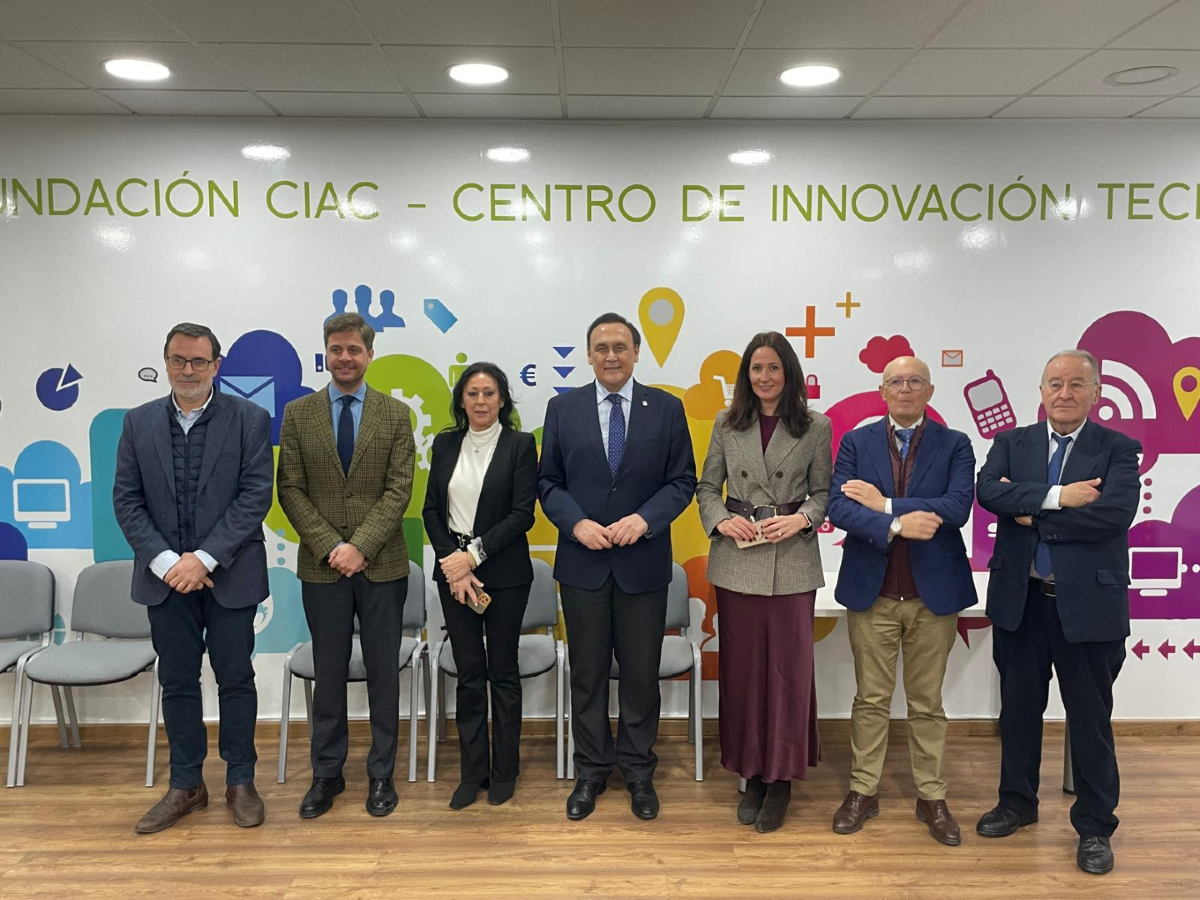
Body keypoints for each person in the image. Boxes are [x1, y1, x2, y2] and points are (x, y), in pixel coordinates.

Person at [975, 349, 1140, 876]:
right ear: (1041, 391)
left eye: (1076, 384)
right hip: (1020, 601)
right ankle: (1016, 803)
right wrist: (1060, 496)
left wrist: (1032, 512)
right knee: (1018, 712)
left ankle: (1095, 826)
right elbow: (988, 493)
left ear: (1096, 393)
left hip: (1088, 607)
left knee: (1090, 719)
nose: (1064, 393)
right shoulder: (1011, 442)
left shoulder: (1118, 449)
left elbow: (1113, 515)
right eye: (1055, 383)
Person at [113, 322, 273, 833]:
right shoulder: (138, 423)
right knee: (178, 682)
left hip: (230, 576)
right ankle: (186, 785)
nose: (188, 370)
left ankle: (240, 782)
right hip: (165, 582)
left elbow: (255, 496)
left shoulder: (250, 419)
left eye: (198, 361)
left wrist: (202, 559)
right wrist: (168, 563)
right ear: (165, 363)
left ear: (216, 365)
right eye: (178, 360)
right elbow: (126, 500)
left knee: (236, 679)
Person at [539, 312, 696, 822]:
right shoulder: (562, 409)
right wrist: (576, 524)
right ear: (588, 355)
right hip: (582, 564)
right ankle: (590, 770)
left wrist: (645, 520)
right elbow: (548, 483)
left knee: (640, 675)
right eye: (602, 347)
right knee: (586, 675)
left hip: (642, 565)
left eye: (620, 347)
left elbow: (682, 481)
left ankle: (637, 771)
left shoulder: (666, 409)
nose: (611, 355)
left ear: (636, 353)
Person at [826, 356, 977, 845]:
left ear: (929, 391)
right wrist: (895, 525)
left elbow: (957, 506)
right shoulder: (856, 442)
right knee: (870, 699)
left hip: (934, 595)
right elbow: (838, 506)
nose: (905, 388)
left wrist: (885, 504)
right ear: (882, 390)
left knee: (927, 702)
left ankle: (931, 796)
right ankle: (862, 791)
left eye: (915, 381)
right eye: (896, 381)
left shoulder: (956, 443)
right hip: (872, 592)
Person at [277, 312, 415, 819]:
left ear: (370, 354)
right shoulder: (298, 413)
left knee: (383, 674)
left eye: (354, 349)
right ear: (326, 354)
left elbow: (399, 489)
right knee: (329, 674)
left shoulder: (395, 414)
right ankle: (327, 775)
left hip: (382, 566)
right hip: (322, 567)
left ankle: (381, 775)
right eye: (336, 349)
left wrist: (360, 546)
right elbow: (290, 488)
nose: (345, 358)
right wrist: (332, 545)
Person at [696, 331, 832, 833]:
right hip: (738, 559)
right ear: (746, 375)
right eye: (756, 368)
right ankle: (751, 772)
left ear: (788, 372)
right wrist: (721, 520)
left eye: (774, 367)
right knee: (743, 672)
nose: (765, 376)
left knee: (788, 674)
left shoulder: (816, 425)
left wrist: (802, 519)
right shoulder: (726, 422)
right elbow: (707, 487)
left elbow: (824, 493)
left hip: (792, 561)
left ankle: (782, 778)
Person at [422, 362, 537, 809]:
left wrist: (473, 556)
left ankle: (505, 771)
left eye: (489, 393)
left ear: (502, 399)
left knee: (502, 672)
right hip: (454, 576)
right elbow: (431, 511)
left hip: (504, 575)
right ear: (461, 400)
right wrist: (455, 564)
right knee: (469, 673)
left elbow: (522, 515)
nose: (481, 401)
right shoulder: (446, 443)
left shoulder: (520, 445)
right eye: (472, 393)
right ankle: (473, 773)